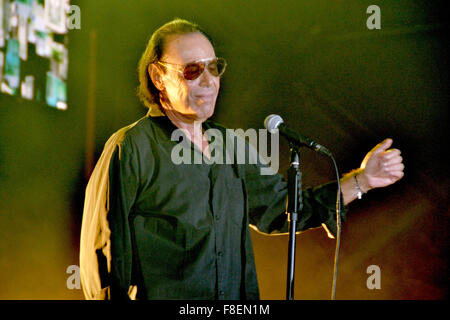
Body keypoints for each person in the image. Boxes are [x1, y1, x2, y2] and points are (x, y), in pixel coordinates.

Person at [79, 18, 404, 300]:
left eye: (214, 67)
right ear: (158, 76)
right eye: (192, 70)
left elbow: (285, 210)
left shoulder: (230, 146)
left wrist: (361, 180)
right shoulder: (131, 146)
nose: (208, 81)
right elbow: (104, 259)